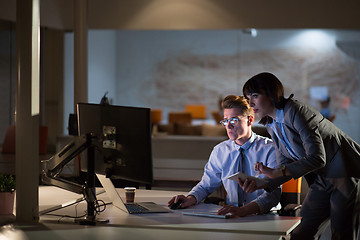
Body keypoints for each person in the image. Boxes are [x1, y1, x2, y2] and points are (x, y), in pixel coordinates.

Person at [243, 72, 360, 240]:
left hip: (344, 175)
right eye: (247, 98)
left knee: (341, 234)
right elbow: (284, 165)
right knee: (300, 232)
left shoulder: (296, 110)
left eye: (255, 95)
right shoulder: (272, 124)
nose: (250, 102)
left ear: (271, 93)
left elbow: (317, 157)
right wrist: (262, 183)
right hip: (321, 179)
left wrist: (280, 172)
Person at [168, 95, 281, 217]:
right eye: (225, 121)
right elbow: (206, 185)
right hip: (231, 215)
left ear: (250, 120)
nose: (228, 126)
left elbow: (272, 195)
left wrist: (243, 211)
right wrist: (190, 198)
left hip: (265, 216)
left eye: (233, 120)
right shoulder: (220, 151)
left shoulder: (270, 149)